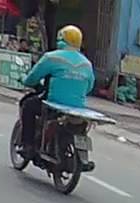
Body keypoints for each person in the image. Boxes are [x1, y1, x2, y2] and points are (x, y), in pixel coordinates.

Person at [17, 25, 95, 154]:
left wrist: (24, 80)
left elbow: (32, 78)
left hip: (53, 104)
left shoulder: (51, 57)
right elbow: (89, 86)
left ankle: (28, 145)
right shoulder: (87, 63)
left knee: (28, 106)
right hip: (77, 107)